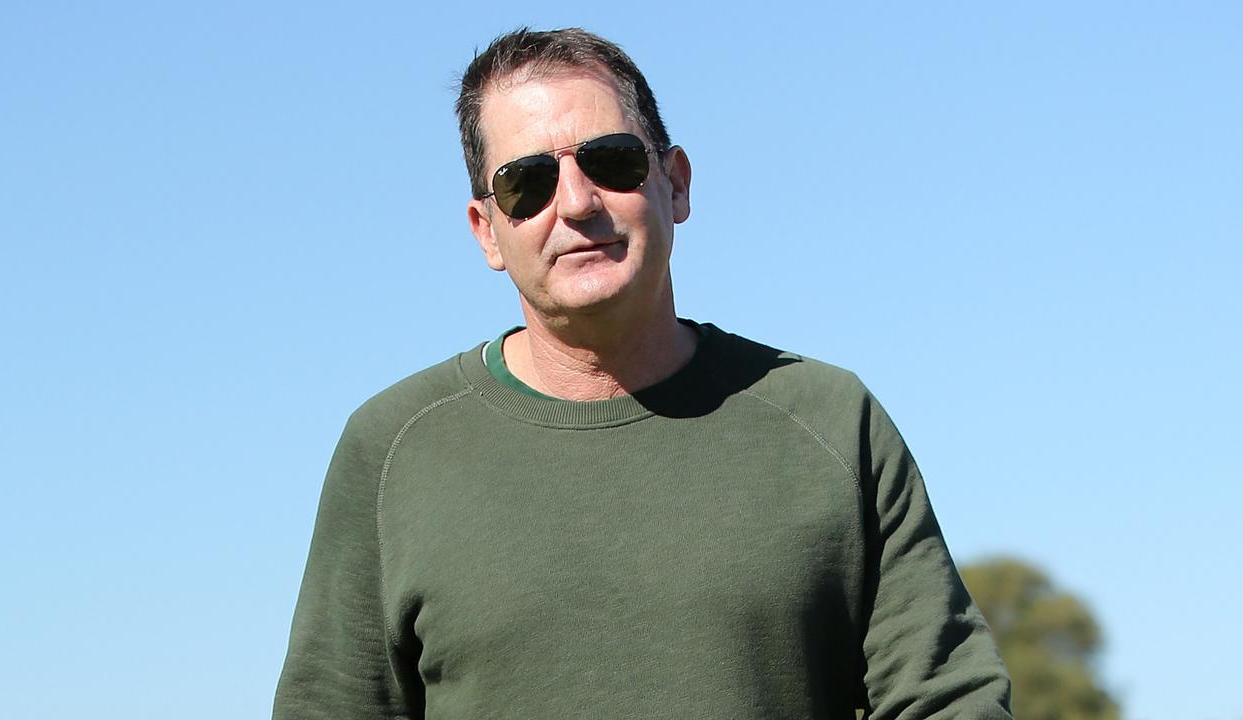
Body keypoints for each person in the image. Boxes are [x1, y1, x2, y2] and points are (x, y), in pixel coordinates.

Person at [273, 27, 1013, 719]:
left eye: (611, 161)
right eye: (526, 183)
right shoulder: (394, 451)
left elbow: (949, 697)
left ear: (676, 184)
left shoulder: (828, 420)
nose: (576, 202)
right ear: (487, 231)